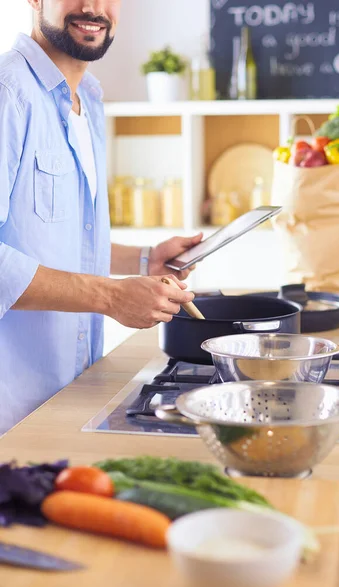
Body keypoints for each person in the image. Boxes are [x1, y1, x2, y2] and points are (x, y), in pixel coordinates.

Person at [0, 0, 202, 434]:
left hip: (69, 397)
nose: (93, 7)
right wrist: (111, 297)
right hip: (11, 413)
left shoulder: (87, 100)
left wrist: (144, 260)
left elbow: (48, 236)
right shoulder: (7, 93)